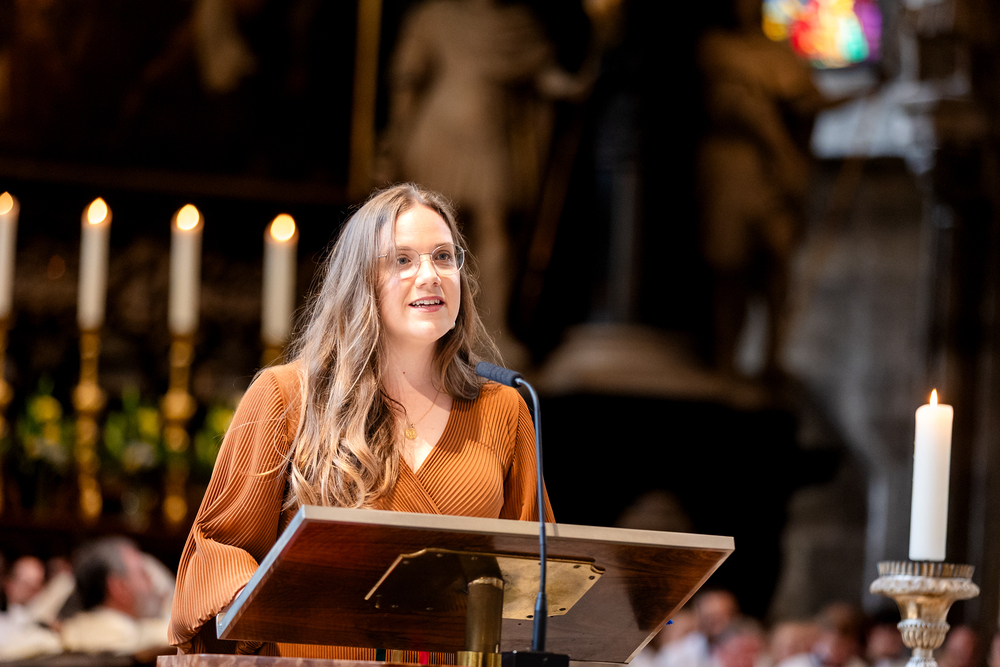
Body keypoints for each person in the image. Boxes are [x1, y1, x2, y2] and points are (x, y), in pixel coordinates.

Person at [168, 183, 554, 659]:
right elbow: (219, 551)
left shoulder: (504, 408)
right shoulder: (286, 397)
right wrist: (286, 613)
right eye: (403, 260)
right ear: (361, 280)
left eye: (443, 256)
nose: (430, 275)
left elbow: (538, 574)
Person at [60, 537, 172, 655]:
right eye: (143, 574)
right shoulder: (141, 642)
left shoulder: (67, 635)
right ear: (119, 587)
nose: (153, 583)